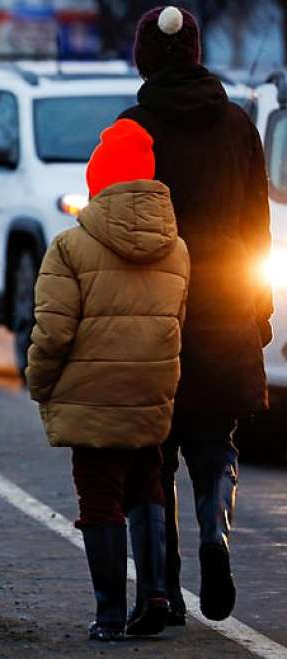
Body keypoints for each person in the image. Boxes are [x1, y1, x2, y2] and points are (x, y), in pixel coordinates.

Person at [120, 5, 272, 624]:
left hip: (156, 311)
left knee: (150, 454)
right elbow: (257, 227)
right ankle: (217, 534)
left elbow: (121, 229)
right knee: (216, 442)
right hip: (227, 305)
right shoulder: (239, 125)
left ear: (146, 58)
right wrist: (258, 310)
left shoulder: (133, 129)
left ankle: (160, 592)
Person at [26, 118, 190, 641]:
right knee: (147, 484)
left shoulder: (70, 248)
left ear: (98, 181)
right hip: (150, 393)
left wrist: (40, 381)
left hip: (91, 396)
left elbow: (52, 331)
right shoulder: (178, 250)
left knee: (100, 497)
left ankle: (110, 613)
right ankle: (157, 593)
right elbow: (176, 324)